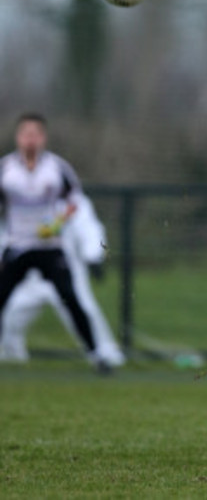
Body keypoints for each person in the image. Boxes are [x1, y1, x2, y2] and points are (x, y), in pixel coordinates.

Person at [0, 113, 110, 372]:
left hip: (50, 248)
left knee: (72, 299)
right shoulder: (6, 170)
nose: (30, 140)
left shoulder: (58, 169)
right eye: (26, 134)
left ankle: (98, 356)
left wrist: (89, 249)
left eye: (35, 134)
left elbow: (77, 206)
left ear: (43, 138)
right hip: (17, 246)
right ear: (18, 138)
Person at [0, 193, 125, 367]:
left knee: (84, 311)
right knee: (10, 313)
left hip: (66, 271)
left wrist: (93, 256)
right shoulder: (21, 196)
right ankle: (10, 355)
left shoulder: (73, 201)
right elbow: (9, 234)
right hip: (30, 277)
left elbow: (89, 228)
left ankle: (106, 355)